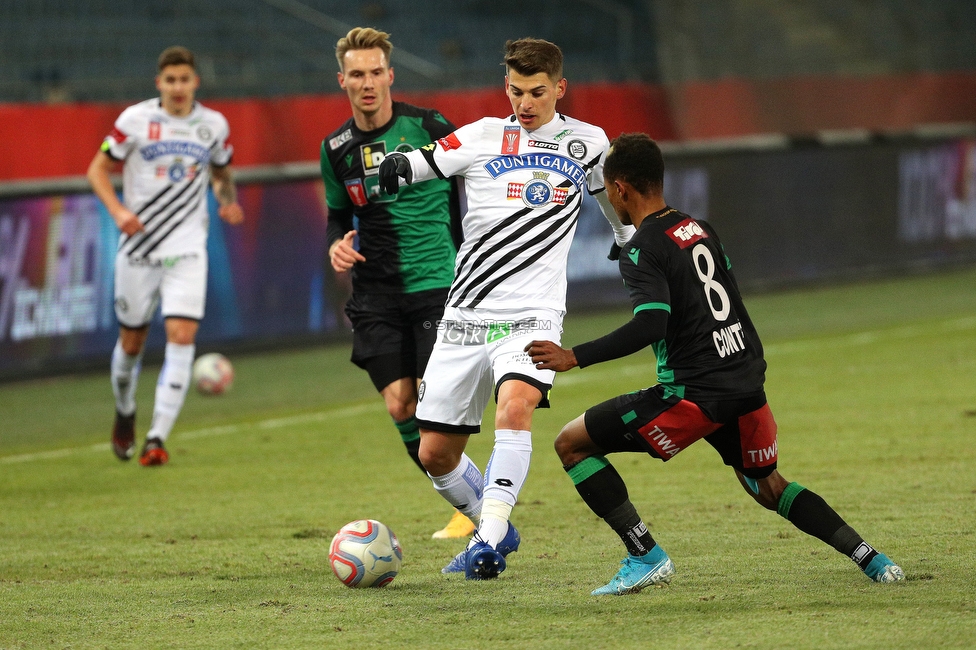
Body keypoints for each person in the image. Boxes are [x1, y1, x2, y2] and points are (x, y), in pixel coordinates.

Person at [525, 132, 905, 595]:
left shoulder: (643, 250)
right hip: (744, 384)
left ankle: (645, 553)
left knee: (572, 444)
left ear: (619, 189)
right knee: (768, 486)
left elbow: (651, 326)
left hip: (693, 395)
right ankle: (873, 559)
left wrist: (573, 356)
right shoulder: (699, 228)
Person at [378, 38, 635, 579]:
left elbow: (610, 195)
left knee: (515, 407)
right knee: (435, 455)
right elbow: (422, 163)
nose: (526, 102)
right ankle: (493, 525)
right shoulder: (481, 136)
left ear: (560, 88)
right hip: (466, 315)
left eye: (538, 92)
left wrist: (626, 237)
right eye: (517, 91)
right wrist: (394, 166)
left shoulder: (588, 143)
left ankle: (487, 541)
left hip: (533, 314)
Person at [320, 27, 473, 539]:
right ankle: (461, 495)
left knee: (436, 405)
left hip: (437, 283)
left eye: (375, 73)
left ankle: (471, 505)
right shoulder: (335, 149)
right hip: (376, 293)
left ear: (390, 75)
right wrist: (337, 242)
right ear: (342, 80)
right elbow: (336, 216)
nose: (367, 83)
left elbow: (472, 187)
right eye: (356, 74)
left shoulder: (430, 126)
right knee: (400, 405)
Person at [87, 46, 243, 467]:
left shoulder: (213, 125)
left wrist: (226, 201)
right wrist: (119, 212)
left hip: (188, 248)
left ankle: (157, 437)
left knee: (180, 336)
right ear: (159, 84)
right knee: (132, 343)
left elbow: (222, 173)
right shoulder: (134, 121)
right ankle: (125, 411)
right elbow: (96, 170)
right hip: (139, 249)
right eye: (170, 80)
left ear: (195, 82)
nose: (177, 87)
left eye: (184, 79)